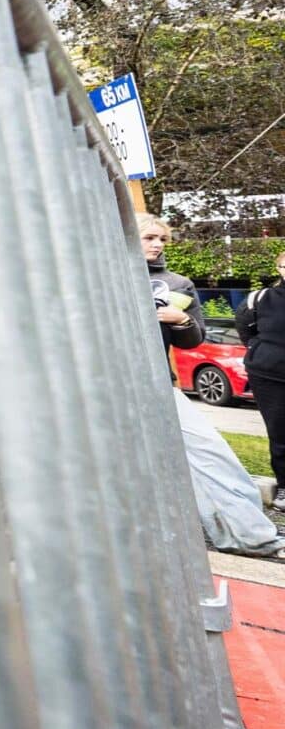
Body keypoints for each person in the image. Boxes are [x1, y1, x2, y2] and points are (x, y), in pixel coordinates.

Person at [139, 214, 282, 557]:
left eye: (162, 239)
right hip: (101, 388)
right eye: (149, 238)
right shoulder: (99, 275)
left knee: (212, 454)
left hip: (156, 385)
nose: (158, 245)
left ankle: (250, 537)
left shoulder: (177, 284)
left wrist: (182, 320)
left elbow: (193, 339)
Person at [233, 249, 285, 510]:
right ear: (279, 269)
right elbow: (244, 328)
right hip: (269, 376)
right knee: (280, 433)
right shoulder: (261, 298)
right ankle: (284, 486)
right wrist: (258, 349)